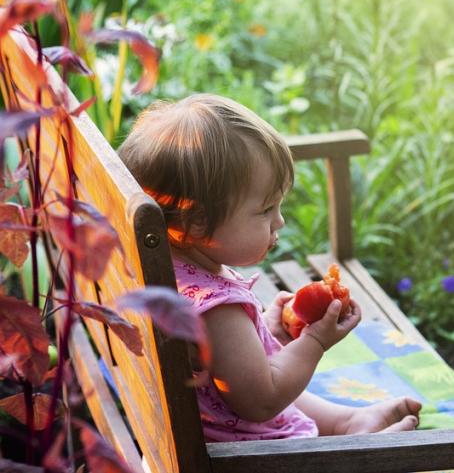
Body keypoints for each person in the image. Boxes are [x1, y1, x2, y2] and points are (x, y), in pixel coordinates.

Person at [118, 94, 421, 442]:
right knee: (277, 382)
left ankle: (344, 421)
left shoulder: (172, 269)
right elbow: (263, 400)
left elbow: (225, 363)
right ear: (197, 221)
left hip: (199, 427)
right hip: (249, 456)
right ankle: (355, 440)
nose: (279, 221)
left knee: (275, 372)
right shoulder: (218, 311)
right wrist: (316, 341)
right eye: (265, 210)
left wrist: (268, 334)